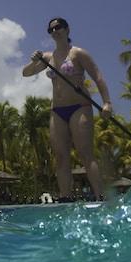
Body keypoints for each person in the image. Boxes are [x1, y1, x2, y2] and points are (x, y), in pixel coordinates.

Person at [22, 17, 113, 201]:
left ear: (67, 29)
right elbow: (26, 73)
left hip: (80, 107)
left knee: (85, 153)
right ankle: (65, 198)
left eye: (58, 27)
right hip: (57, 110)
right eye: (51, 30)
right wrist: (34, 61)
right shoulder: (48, 57)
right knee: (61, 157)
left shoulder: (78, 53)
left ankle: (100, 197)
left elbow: (98, 77)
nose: (55, 31)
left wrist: (107, 103)